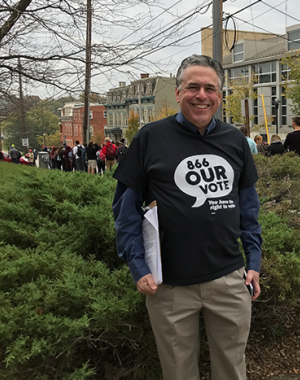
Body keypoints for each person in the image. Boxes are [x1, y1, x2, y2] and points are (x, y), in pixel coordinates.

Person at [112, 54, 262, 380]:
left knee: (232, 370)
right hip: (169, 287)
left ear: (220, 96)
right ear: (178, 93)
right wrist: (137, 266)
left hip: (228, 280)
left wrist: (254, 261)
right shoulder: (149, 139)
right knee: (178, 374)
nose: (201, 95)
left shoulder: (235, 141)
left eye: (210, 88)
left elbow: (248, 208)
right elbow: (124, 212)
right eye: (192, 86)